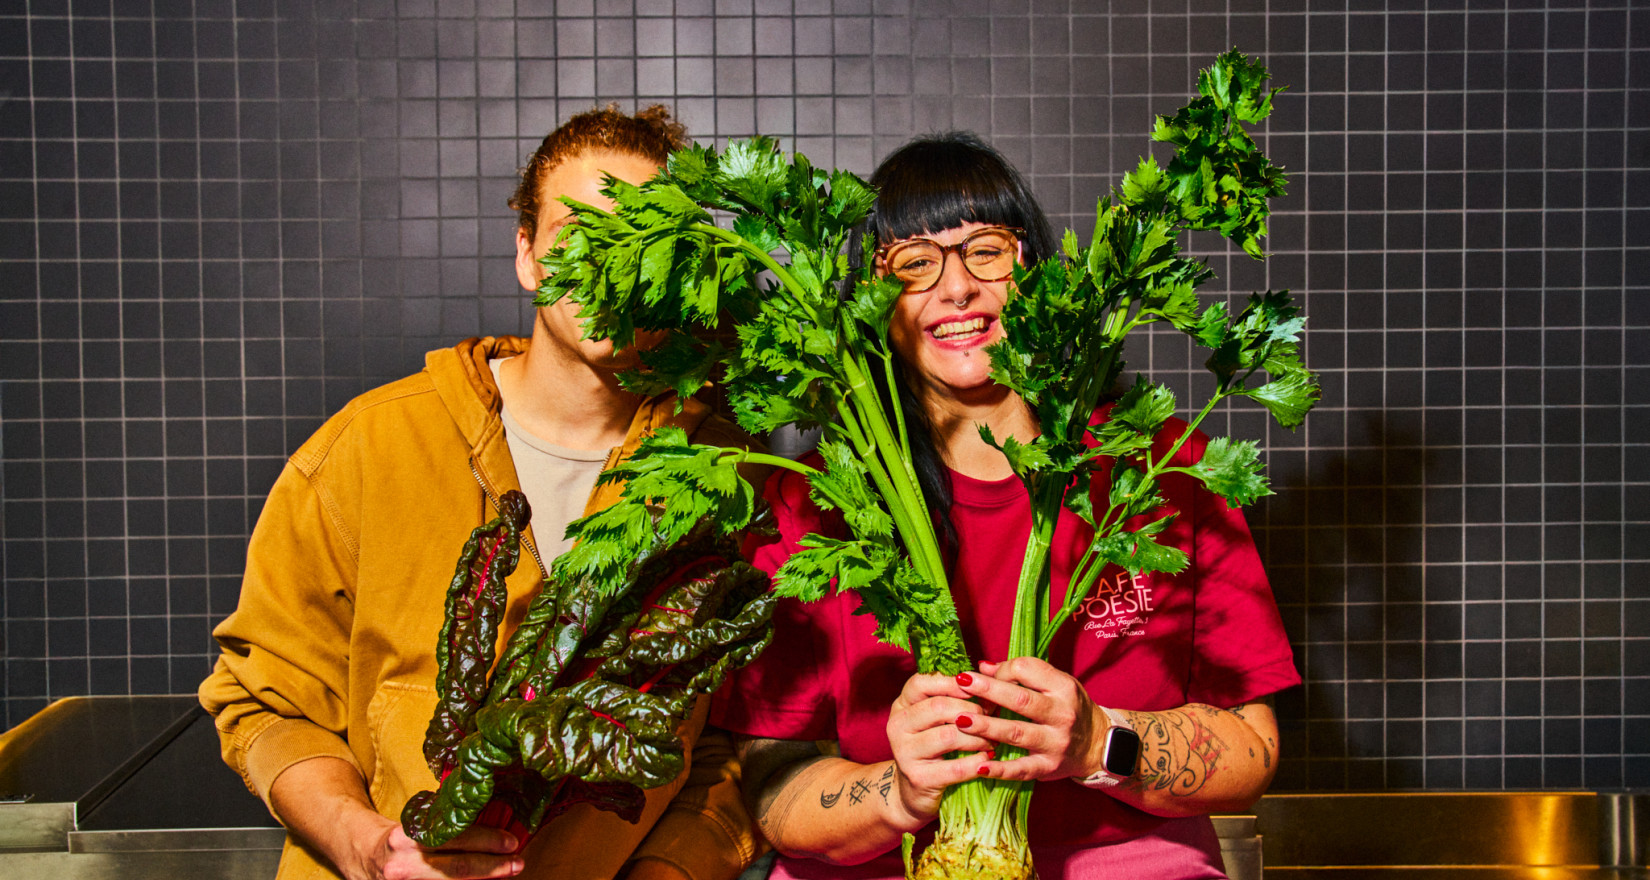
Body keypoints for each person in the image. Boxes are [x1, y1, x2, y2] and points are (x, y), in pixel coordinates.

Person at [709, 132, 1300, 879]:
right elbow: (774, 793)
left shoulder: (1164, 470)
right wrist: (902, 789)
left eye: (986, 250)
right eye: (914, 264)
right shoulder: (812, 502)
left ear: (1034, 274)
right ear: (871, 303)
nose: (956, 288)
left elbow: (1253, 748)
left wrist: (1098, 742)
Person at [200, 105, 760, 880]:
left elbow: (733, 749)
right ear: (527, 255)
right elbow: (267, 705)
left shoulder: (725, 474)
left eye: (644, 245)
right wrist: (368, 846)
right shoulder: (367, 449)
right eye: (579, 238)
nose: (608, 269)